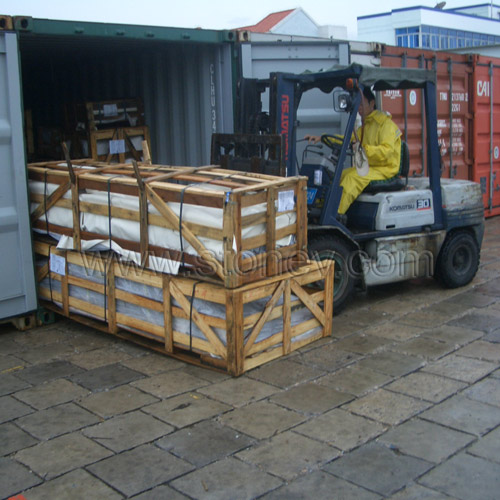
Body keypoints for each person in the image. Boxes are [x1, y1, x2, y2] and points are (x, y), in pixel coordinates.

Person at [306, 87, 402, 215]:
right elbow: (348, 140)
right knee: (337, 177)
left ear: (372, 103)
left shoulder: (386, 125)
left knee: (351, 179)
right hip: (371, 168)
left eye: (361, 104)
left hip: (385, 169)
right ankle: (320, 209)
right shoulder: (365, 126)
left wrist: (362, 148)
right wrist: (322, 138)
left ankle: (334, 214)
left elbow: (386, 152)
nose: (359, 108)